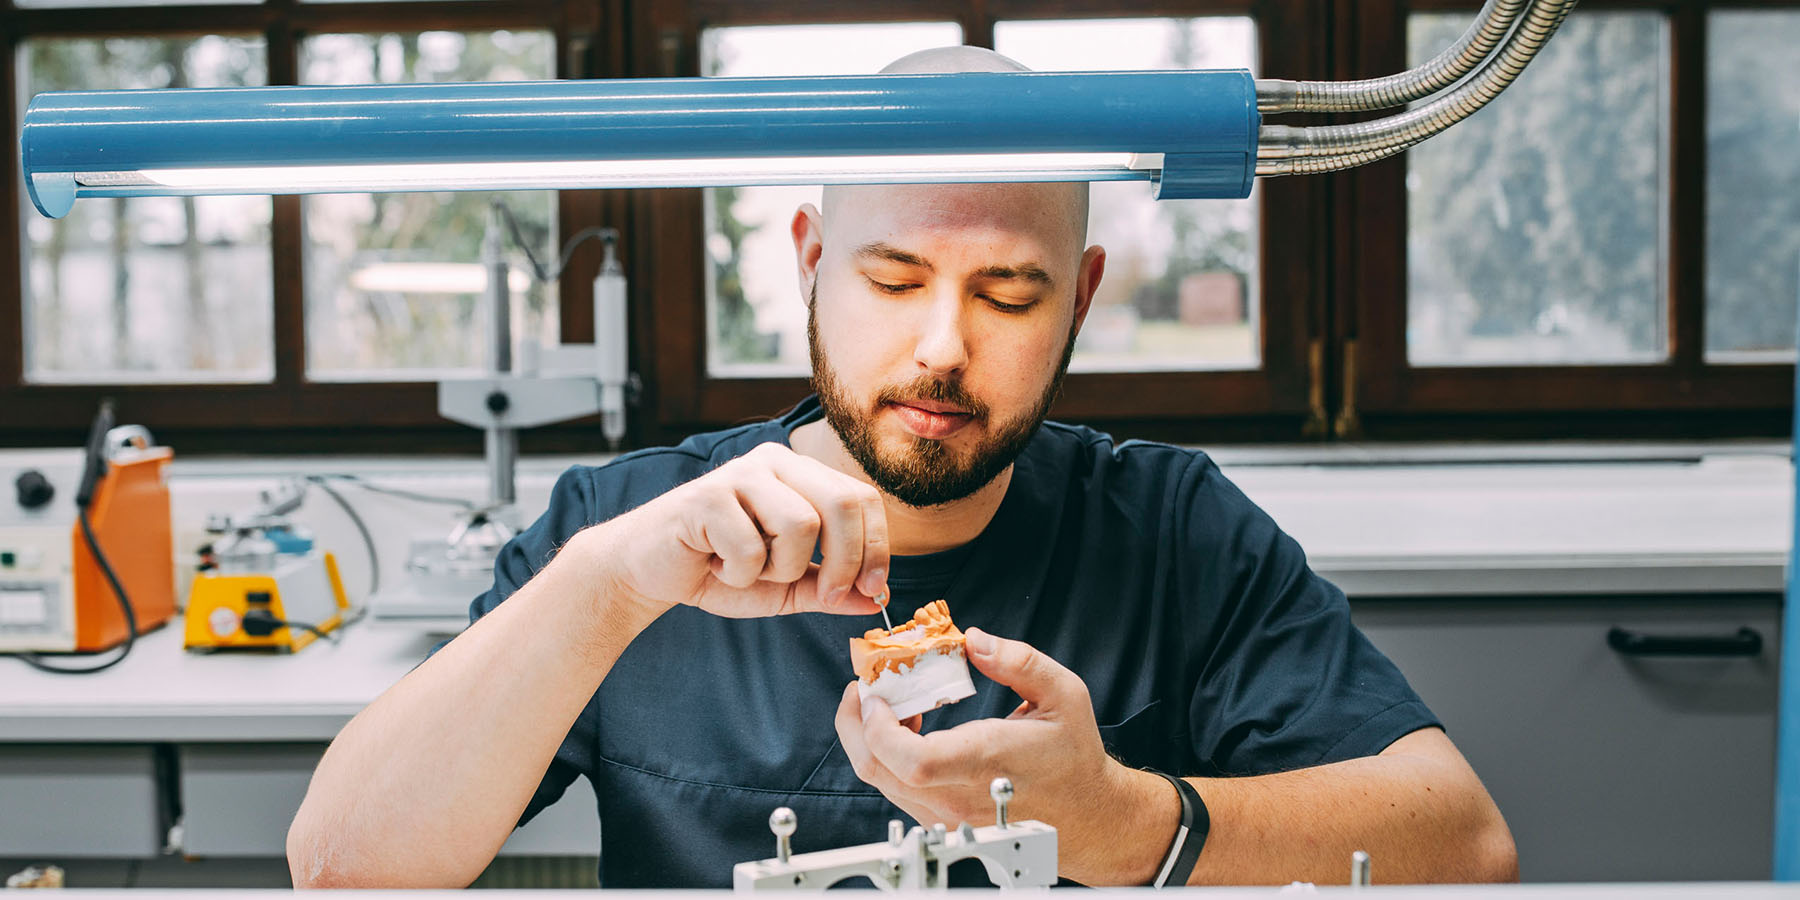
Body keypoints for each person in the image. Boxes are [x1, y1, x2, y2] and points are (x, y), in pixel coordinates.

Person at [287, 46, 1516, 890]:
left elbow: (1466, 846)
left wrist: (1119, 816)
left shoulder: (1173, 529)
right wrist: (605, 588)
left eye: (1009, 293)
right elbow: (340, 867)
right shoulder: (620, 525)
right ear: (811, 261)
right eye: (890, 281)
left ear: (1080, 299)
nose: (942, 346)